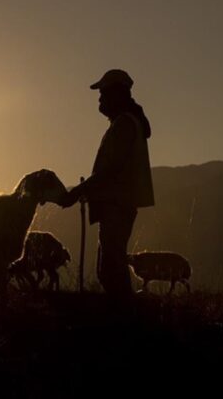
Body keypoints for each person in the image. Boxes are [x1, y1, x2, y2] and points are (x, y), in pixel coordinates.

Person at [59, 69, 154, 302]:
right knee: (110, 267)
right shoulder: (127, 123)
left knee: (110, 268)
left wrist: (79, 191)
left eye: (103, 93)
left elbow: (110, 169)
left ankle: (126, 319)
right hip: (119, 203)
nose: (100, 99)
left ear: (117, 94)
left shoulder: (123, 125)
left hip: (116, 204)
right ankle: (125, 317)